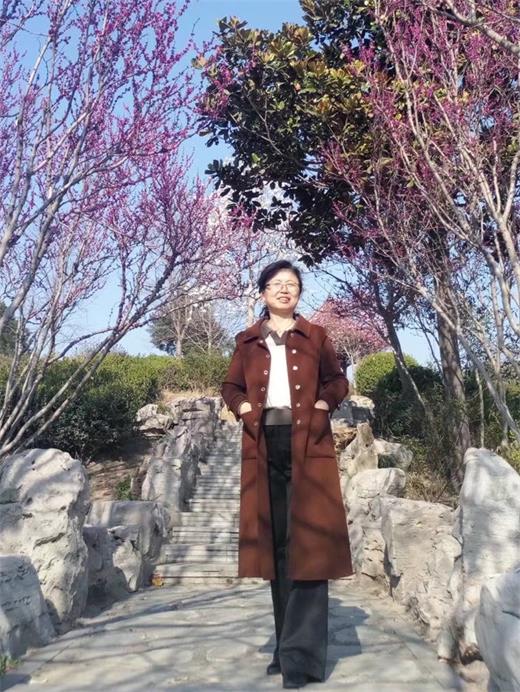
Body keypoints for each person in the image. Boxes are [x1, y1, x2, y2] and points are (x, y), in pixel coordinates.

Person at [221, 260, 353, 689]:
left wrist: (322, 406)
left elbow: (337, 381)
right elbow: (230, 387)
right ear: (263, 292)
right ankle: (285, 648)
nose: (284, 289)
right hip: (263, 445)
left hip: (308, 445)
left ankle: (303, 660)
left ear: (298, 293)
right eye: (276, 284)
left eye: (292, 284)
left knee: (309, 546)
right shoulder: (247, 340)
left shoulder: (316, 335)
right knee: (277, 547)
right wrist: (244, 408)